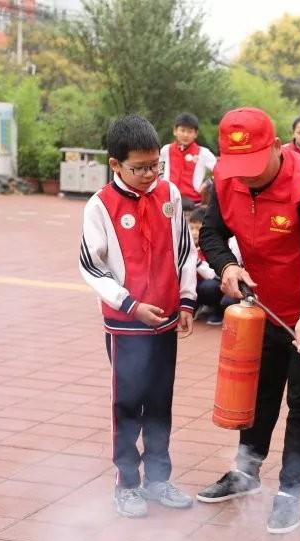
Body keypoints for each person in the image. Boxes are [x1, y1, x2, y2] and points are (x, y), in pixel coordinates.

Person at [196, 108, 300, 534]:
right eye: (237, 167)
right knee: (259, 391)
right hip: (263, 302)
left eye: (252, 166)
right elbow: (211, 233)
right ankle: (245, 473)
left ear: (275, 147)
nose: (244, 177)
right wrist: (227, 266)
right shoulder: (227, 180)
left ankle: (290, 490)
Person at [78, 115, 197, 518]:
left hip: (163, 318)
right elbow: (91, 267)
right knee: (129, 403)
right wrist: (129, 304)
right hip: (126, 324)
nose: (150, 174)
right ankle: (127, 483)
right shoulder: (100, 205)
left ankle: (158, 479)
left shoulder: (170, 194)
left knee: (160, 402)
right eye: (139, 168)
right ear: (115, 165)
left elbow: (184, 250)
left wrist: (186, 300)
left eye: (154, 165)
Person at [159, 112, 216, 211]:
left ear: (195, 134)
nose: (185, 135)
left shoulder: (203, 153)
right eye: (182, 130)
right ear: (175, 131)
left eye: (190, 131)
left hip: (193, 204)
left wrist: (207, 183)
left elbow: (220, 171)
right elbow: (158, 172)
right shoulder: (165, 150)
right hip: (168, 201)